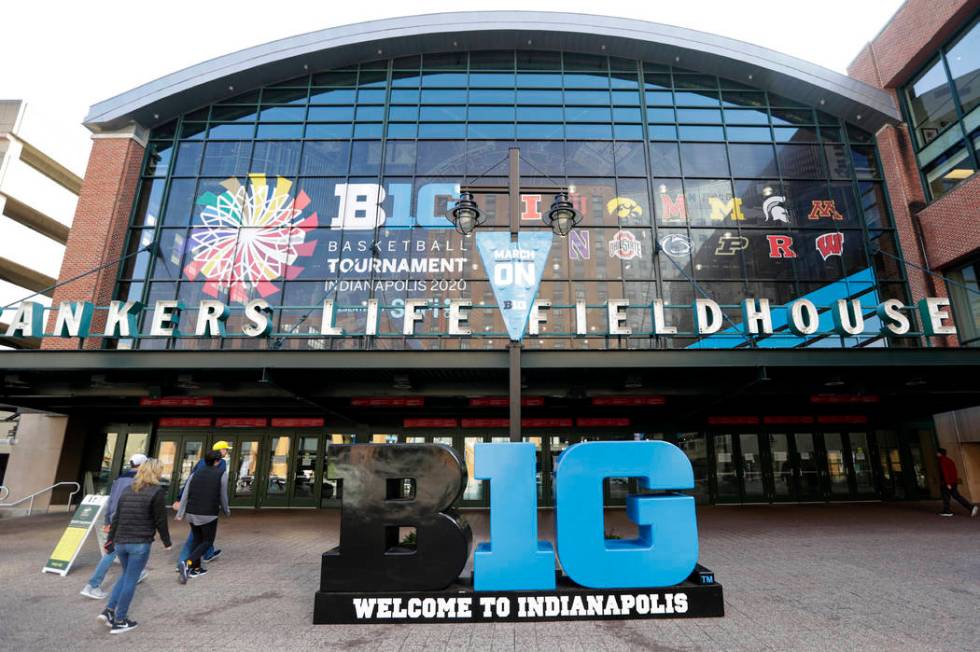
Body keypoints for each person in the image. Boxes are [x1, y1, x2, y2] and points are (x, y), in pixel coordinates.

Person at [102, 458, 172, 634]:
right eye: (160, 470)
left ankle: (109, 611)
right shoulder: (157, 492)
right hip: (139, 544)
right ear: (156, 472)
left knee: (126, 576)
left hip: (120, 542)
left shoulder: (127, 490)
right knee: (131, 581)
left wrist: (110, 540)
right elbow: (160, 520)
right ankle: (120, 620)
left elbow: (116, 518)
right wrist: (166, 542)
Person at [80, 454, 150, 599]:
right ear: (143, 465)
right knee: (114, 551)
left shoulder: (119, 479)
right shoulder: (138, 481)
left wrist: (107, 521)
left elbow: (111, 500)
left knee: (121, 548)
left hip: (114, 518)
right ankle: (92, 585)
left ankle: (137, 572)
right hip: (126, 519)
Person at [173, 440, 231, 568]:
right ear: (220, 451)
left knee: (200, 536)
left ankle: (204, 558)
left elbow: (189, 482)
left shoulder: (202, 462)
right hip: (206, 508)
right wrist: (226, 510)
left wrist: (180, 503)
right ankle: (184, 562)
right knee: (196, 538)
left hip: (194, 506)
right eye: (226, 449)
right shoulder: (220, 465)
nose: (227, 452)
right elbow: (221, 491)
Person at [937, 448, 978, 517]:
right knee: (956, 496)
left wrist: (947, 483)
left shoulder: (942, 461)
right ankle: (970, 507)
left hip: (946, 483)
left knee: (946, 496)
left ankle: (947, 511)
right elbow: (954, 471)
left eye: (937, 453)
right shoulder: (950, 460)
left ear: (939, 453)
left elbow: (945, 473)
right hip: (953, 482)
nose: (936, 454)